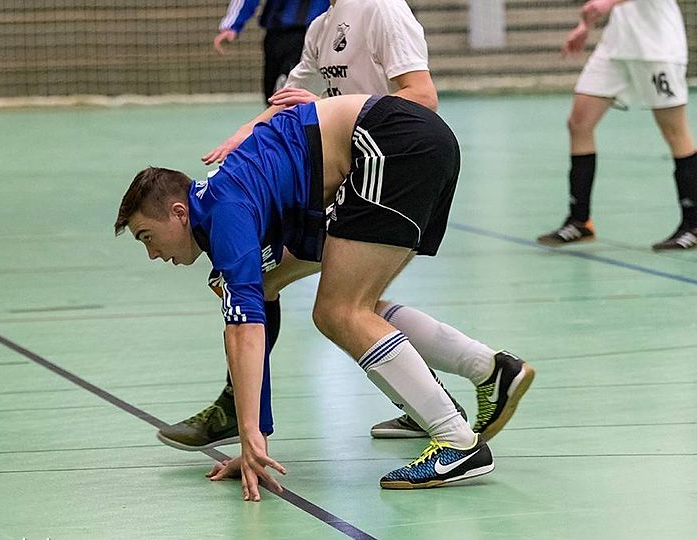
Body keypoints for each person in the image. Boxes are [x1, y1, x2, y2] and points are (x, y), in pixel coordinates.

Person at [157, 0, 533, 452]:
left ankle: (461, 404)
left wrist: (326, 108)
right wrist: (245, 133)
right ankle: (472, 377)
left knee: (339, 309)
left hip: (386, 163)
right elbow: (287, 102)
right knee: (328, 299)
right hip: (353, 177)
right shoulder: (321, 26)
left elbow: (423, 98)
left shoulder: (381, 10)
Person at [115, 94, 534, 496]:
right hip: (410, 144)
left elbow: (244, 333)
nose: (153, 254)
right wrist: (256, 438)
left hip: (388, 146)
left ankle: (457, 441)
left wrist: (249, 436)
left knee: (340, 311)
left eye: (147, 237)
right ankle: (489, 368)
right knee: (350, 305)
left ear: (179, 213)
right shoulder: (227, 198)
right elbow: (260, 303)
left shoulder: (226, 214)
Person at [538, 0, 697, 250]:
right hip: (617, 46)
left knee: (674, 131)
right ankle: (580, 220)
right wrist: (585, 25)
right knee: (579, 124)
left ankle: (693, 225)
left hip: (657, 48)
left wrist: (607, 3)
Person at [214, 0, 330, 101]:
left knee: (293, 92)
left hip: (313, 32)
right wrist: (233, 25)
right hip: (277, 33)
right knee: (274, 95)